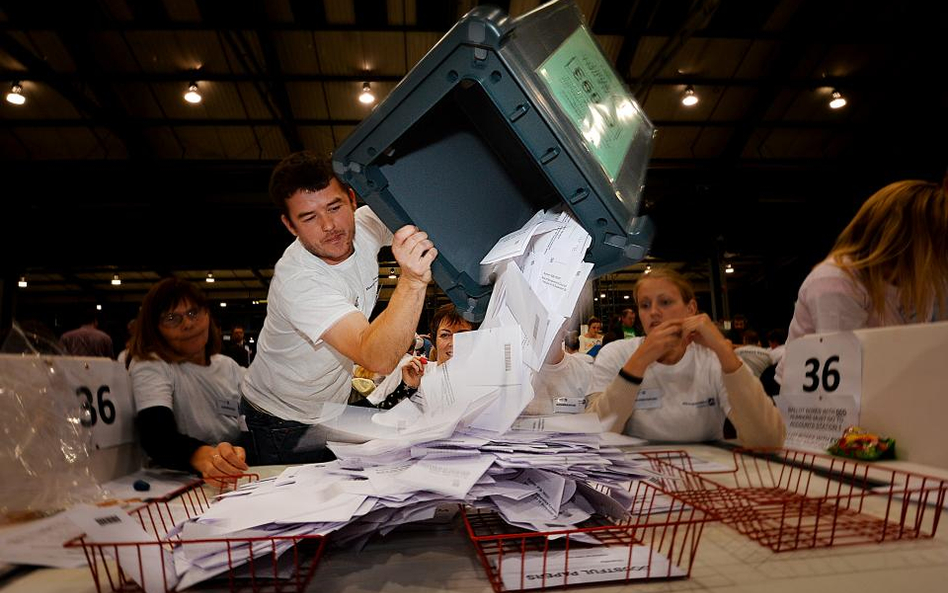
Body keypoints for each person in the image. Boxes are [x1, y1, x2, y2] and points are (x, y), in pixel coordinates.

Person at [239, 152, 437, 464]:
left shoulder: (364, 225)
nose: (329, 225)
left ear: (352, 199)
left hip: (331, 405)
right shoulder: (300, 280)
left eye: (335, 207)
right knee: (306, 506)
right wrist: (412, 280)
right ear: (290, 225)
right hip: (282, 418)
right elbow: (377, 357)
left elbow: (421, 210)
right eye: (308, 218)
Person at [586, 269, 785, 446]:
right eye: (645, 305)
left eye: (665, 302)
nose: (653, 312)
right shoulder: (615, 354)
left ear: (690, 309)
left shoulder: (712, 357)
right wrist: (639, 362)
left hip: (704, 474)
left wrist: (724, 351)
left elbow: (768, 439)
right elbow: (593, 436)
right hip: (633, 476)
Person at [777, 179, 948, 383]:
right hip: (816, 405)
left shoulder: (925, 282)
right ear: (906, 241)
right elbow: (846, 379)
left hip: (883, 391)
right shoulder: (836, 281)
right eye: (939, 243)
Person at [127, 278, 249, 480]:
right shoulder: (152, 364)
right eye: (172, 318)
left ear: (207, 314)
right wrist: (204, 456)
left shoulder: (228, 366)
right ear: (154, 328)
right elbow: (157, 436)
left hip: (233, 473)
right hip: (178, 482)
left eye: (194, 313)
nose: (188, 324)